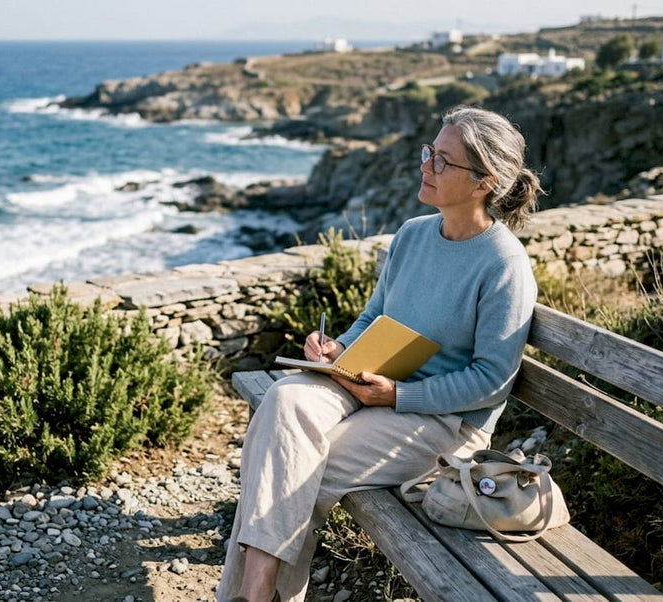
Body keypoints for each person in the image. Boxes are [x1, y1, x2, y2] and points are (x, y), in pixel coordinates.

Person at [217, 106, 542, 602]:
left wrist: (399, 394)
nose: (426, 166)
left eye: (442, 161)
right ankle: (260, 593)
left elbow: (492, 380)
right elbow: (373, 317)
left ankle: (253, 593)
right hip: (366, 380)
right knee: (284, 401)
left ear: (484, 182)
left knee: (294, 465)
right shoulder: (412, 234)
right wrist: (339, 346)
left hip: (444, 421)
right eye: (429, 152)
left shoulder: (504, 264)